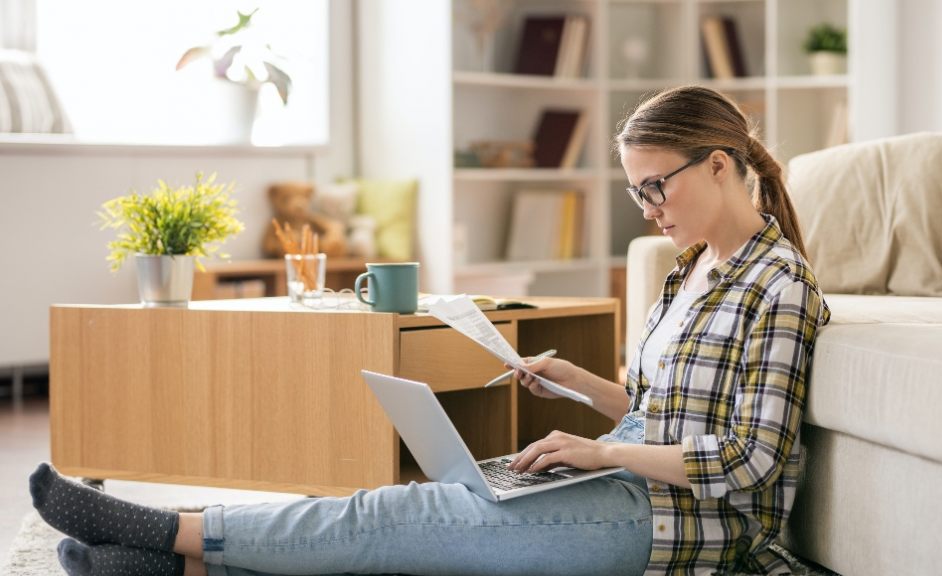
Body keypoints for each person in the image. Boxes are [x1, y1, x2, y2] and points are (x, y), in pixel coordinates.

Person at [29, 85, 829, 576]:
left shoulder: (779, 284)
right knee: (421, 528)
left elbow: (750, 462)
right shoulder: (687, 271)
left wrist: (601, 449)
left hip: (678, 528)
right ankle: (173, 570)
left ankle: (165, 533)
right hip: (624, 492)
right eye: (635, 192)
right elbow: (664, 409)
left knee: (394, 521)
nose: (649, 207)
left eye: (656, 185)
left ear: (720, 165)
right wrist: (583, 387)